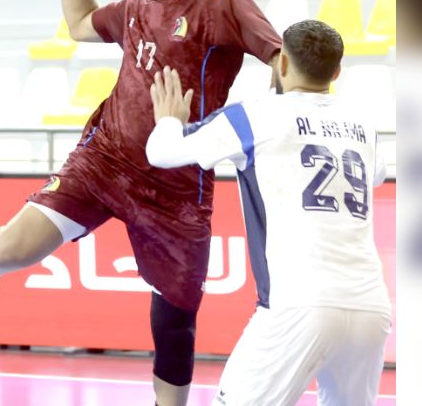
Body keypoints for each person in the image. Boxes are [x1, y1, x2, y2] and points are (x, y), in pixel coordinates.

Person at [0, 0, 281, 406]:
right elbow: (80, 23)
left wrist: (263, 128)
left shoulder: (223, 4)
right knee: (6, 251)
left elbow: (283, 59)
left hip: (177, 191)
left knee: (174, 325)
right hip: (104, 162)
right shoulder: (134, 5)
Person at [145, 20, 391, 406]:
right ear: (337, 72)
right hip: (371, 308)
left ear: (282, 65)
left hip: (297, 305)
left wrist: (169, 120)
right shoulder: (364, 124)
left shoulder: (255, 115)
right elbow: (375, 176)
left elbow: (161, 153)